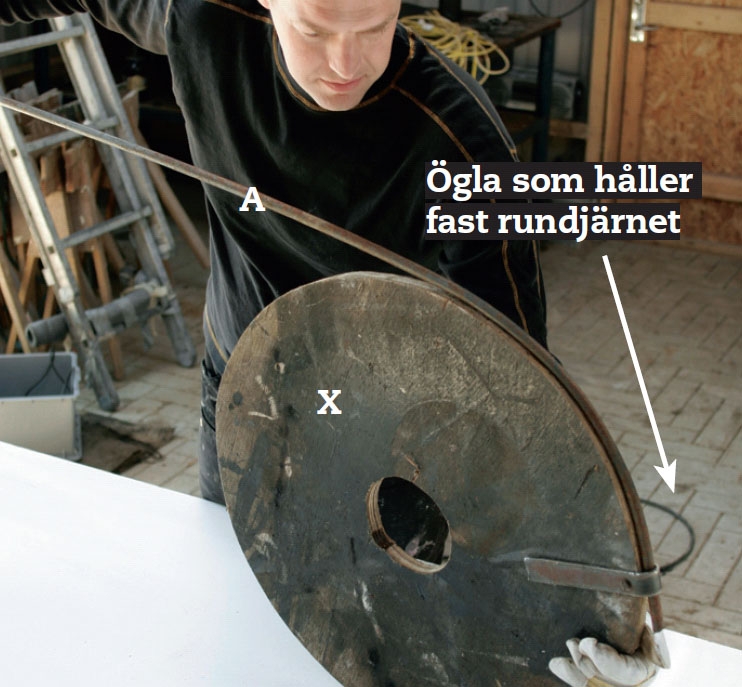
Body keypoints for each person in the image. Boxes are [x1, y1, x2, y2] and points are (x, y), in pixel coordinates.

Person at [1, 2, 669, 685]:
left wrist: (595, 612)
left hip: (391, 448)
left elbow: (523, 407)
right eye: (315, 31)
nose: (345, 65)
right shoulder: (204, 15)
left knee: (385, 654)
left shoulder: (462, 144)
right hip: (244, 394)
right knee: (232, 617)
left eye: (373, 29)